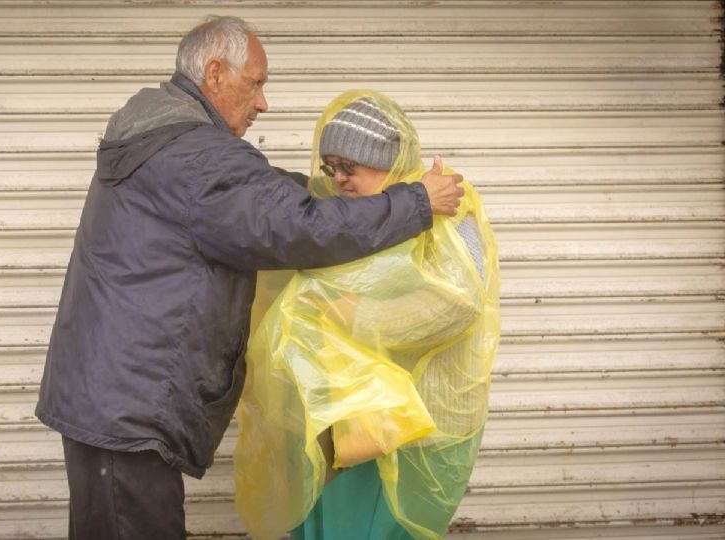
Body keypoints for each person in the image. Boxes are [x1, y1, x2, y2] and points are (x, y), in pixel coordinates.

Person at [35, 16, 465, 540]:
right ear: (214, 74)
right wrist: (416, 202)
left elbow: (263, 194)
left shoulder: (170, 141)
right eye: (256, 82)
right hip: (128, 404)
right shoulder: (195, 156)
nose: (264, 102)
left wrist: (344, 193)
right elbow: (294, 226)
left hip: (115, 394)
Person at [234, 90, 500, 540]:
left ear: (385, 161)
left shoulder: (449, 214)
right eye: (331, 168)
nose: (338, 180)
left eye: (349, 168)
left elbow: (458, 302)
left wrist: (357, 314)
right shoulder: (349, 219)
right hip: (346, 422)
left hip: (415, 426)